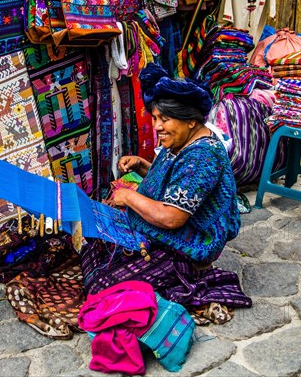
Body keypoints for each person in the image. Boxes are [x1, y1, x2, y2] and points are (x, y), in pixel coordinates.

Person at [81, 62, 251, 316]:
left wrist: (128, 196)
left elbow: (172, 217)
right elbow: (176, 187)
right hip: (174, 228)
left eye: (165, 119)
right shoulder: (184, 144)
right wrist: (141, 166)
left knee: (102, 286)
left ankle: (190, 275)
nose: (157, 126)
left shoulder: (201, 157)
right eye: (155, 118)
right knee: (94, 245)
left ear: (191, 121)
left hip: (191, 244)